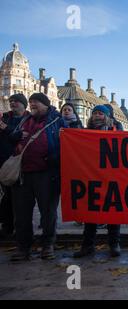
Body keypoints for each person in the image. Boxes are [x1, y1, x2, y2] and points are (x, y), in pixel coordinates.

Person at [10, 93, 66, 261]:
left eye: (36, 102)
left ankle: (48, 244)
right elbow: (12, 136)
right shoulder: (25, 120)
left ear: (45, 104)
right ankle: (23, 247)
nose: (32, 105)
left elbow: (67, 143)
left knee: (48, 212)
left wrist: (54, 158)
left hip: (47, 173)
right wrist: (16, 136)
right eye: (31, 102)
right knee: (21, 213)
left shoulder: (57, 121)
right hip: (23, 174)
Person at [73, 105, 121, 258]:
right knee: (90, 213)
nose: (97, 116)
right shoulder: (85, 133)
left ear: (106, 116)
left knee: (113, 213)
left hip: (111, 176)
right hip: (91, 176)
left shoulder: (116, 131)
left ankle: (114, 244)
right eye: (95, 113)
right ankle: (87, 245)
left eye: (100, 113)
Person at [0, 94, 29, 238]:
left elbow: (25, 135)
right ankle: (7, 227)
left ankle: (20, 229)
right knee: (6, 197)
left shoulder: (29, 119)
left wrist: (7, 130)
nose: (12, 103)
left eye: (16, 101)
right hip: (5, 162)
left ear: (24, 104)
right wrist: (14, 133)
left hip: (23, 162)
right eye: (11, 101)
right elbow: (16, 136)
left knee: (20, 199)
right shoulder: (4, 117)